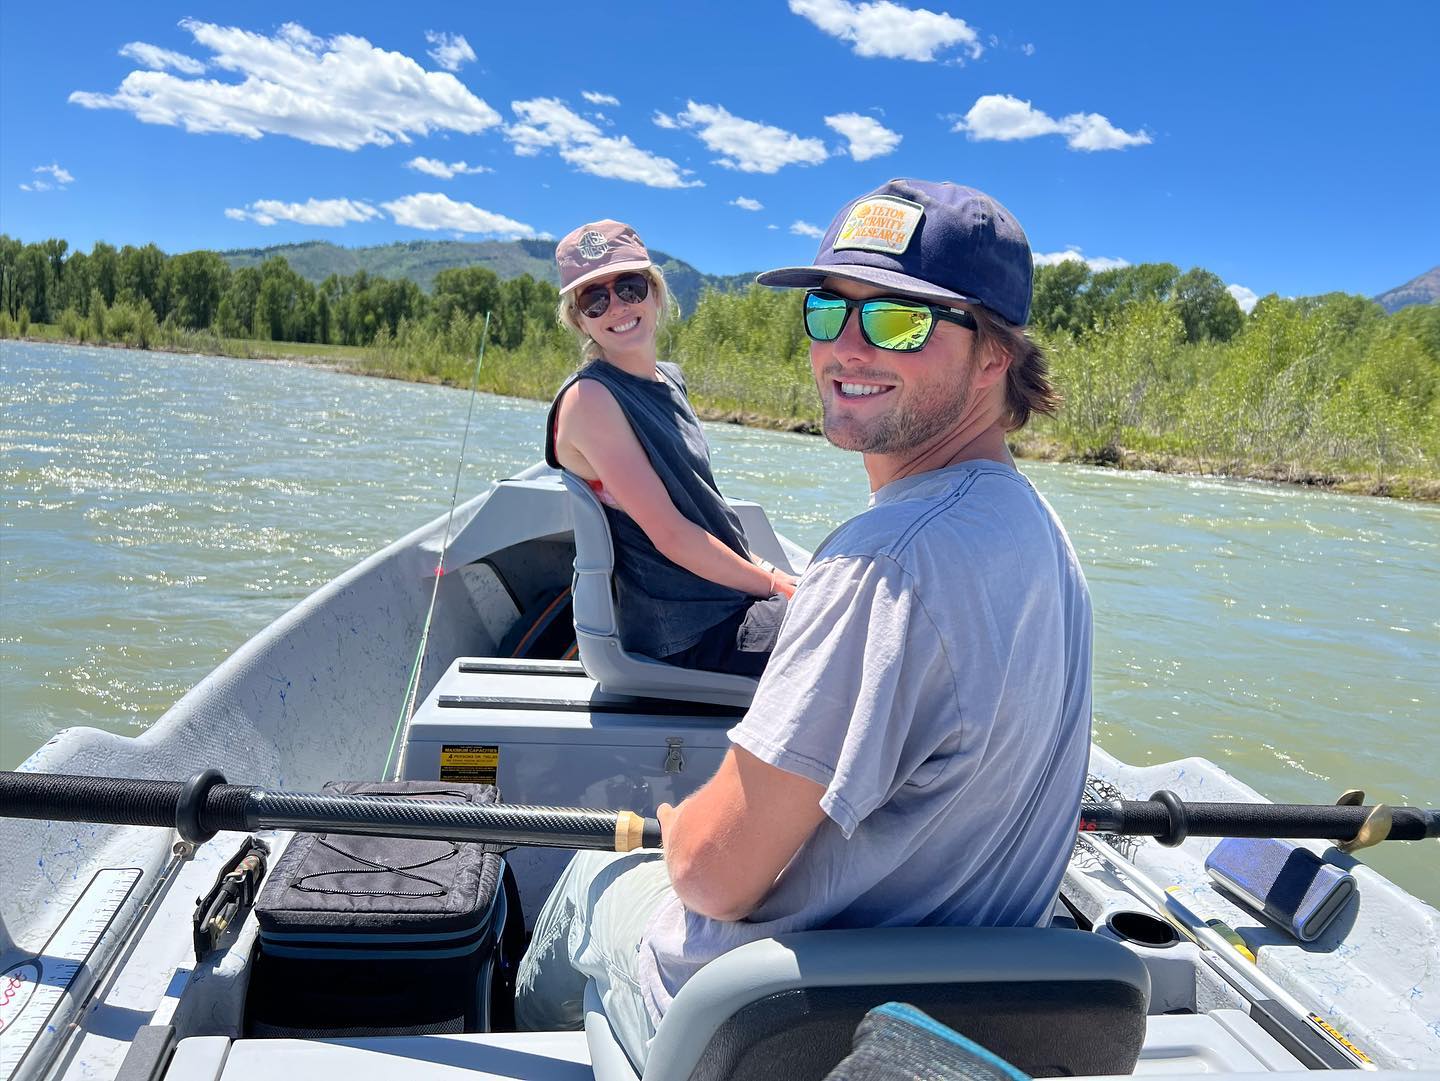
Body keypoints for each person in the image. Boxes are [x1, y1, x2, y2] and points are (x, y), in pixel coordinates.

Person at [515, 180, 1093, 1068]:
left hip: (771, 1022)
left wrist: (686, 821)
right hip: (965, 1002)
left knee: (596, 876)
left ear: (994, 355)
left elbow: (709, 874)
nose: (848, 346)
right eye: (830, 310)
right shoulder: (1041, 532)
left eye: (898, 319)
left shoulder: (881, 565)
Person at [545, 219, 795, 677]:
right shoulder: (590, 399)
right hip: (689, 629)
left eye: (630, 287)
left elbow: (704, 510)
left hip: (727, 601)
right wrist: (778, 587)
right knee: (860, 637)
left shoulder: (670, 379)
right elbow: (673, 535)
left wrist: (773, 575)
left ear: (656, 293)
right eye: (594, 300)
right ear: (579, 319)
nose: (617, 306)